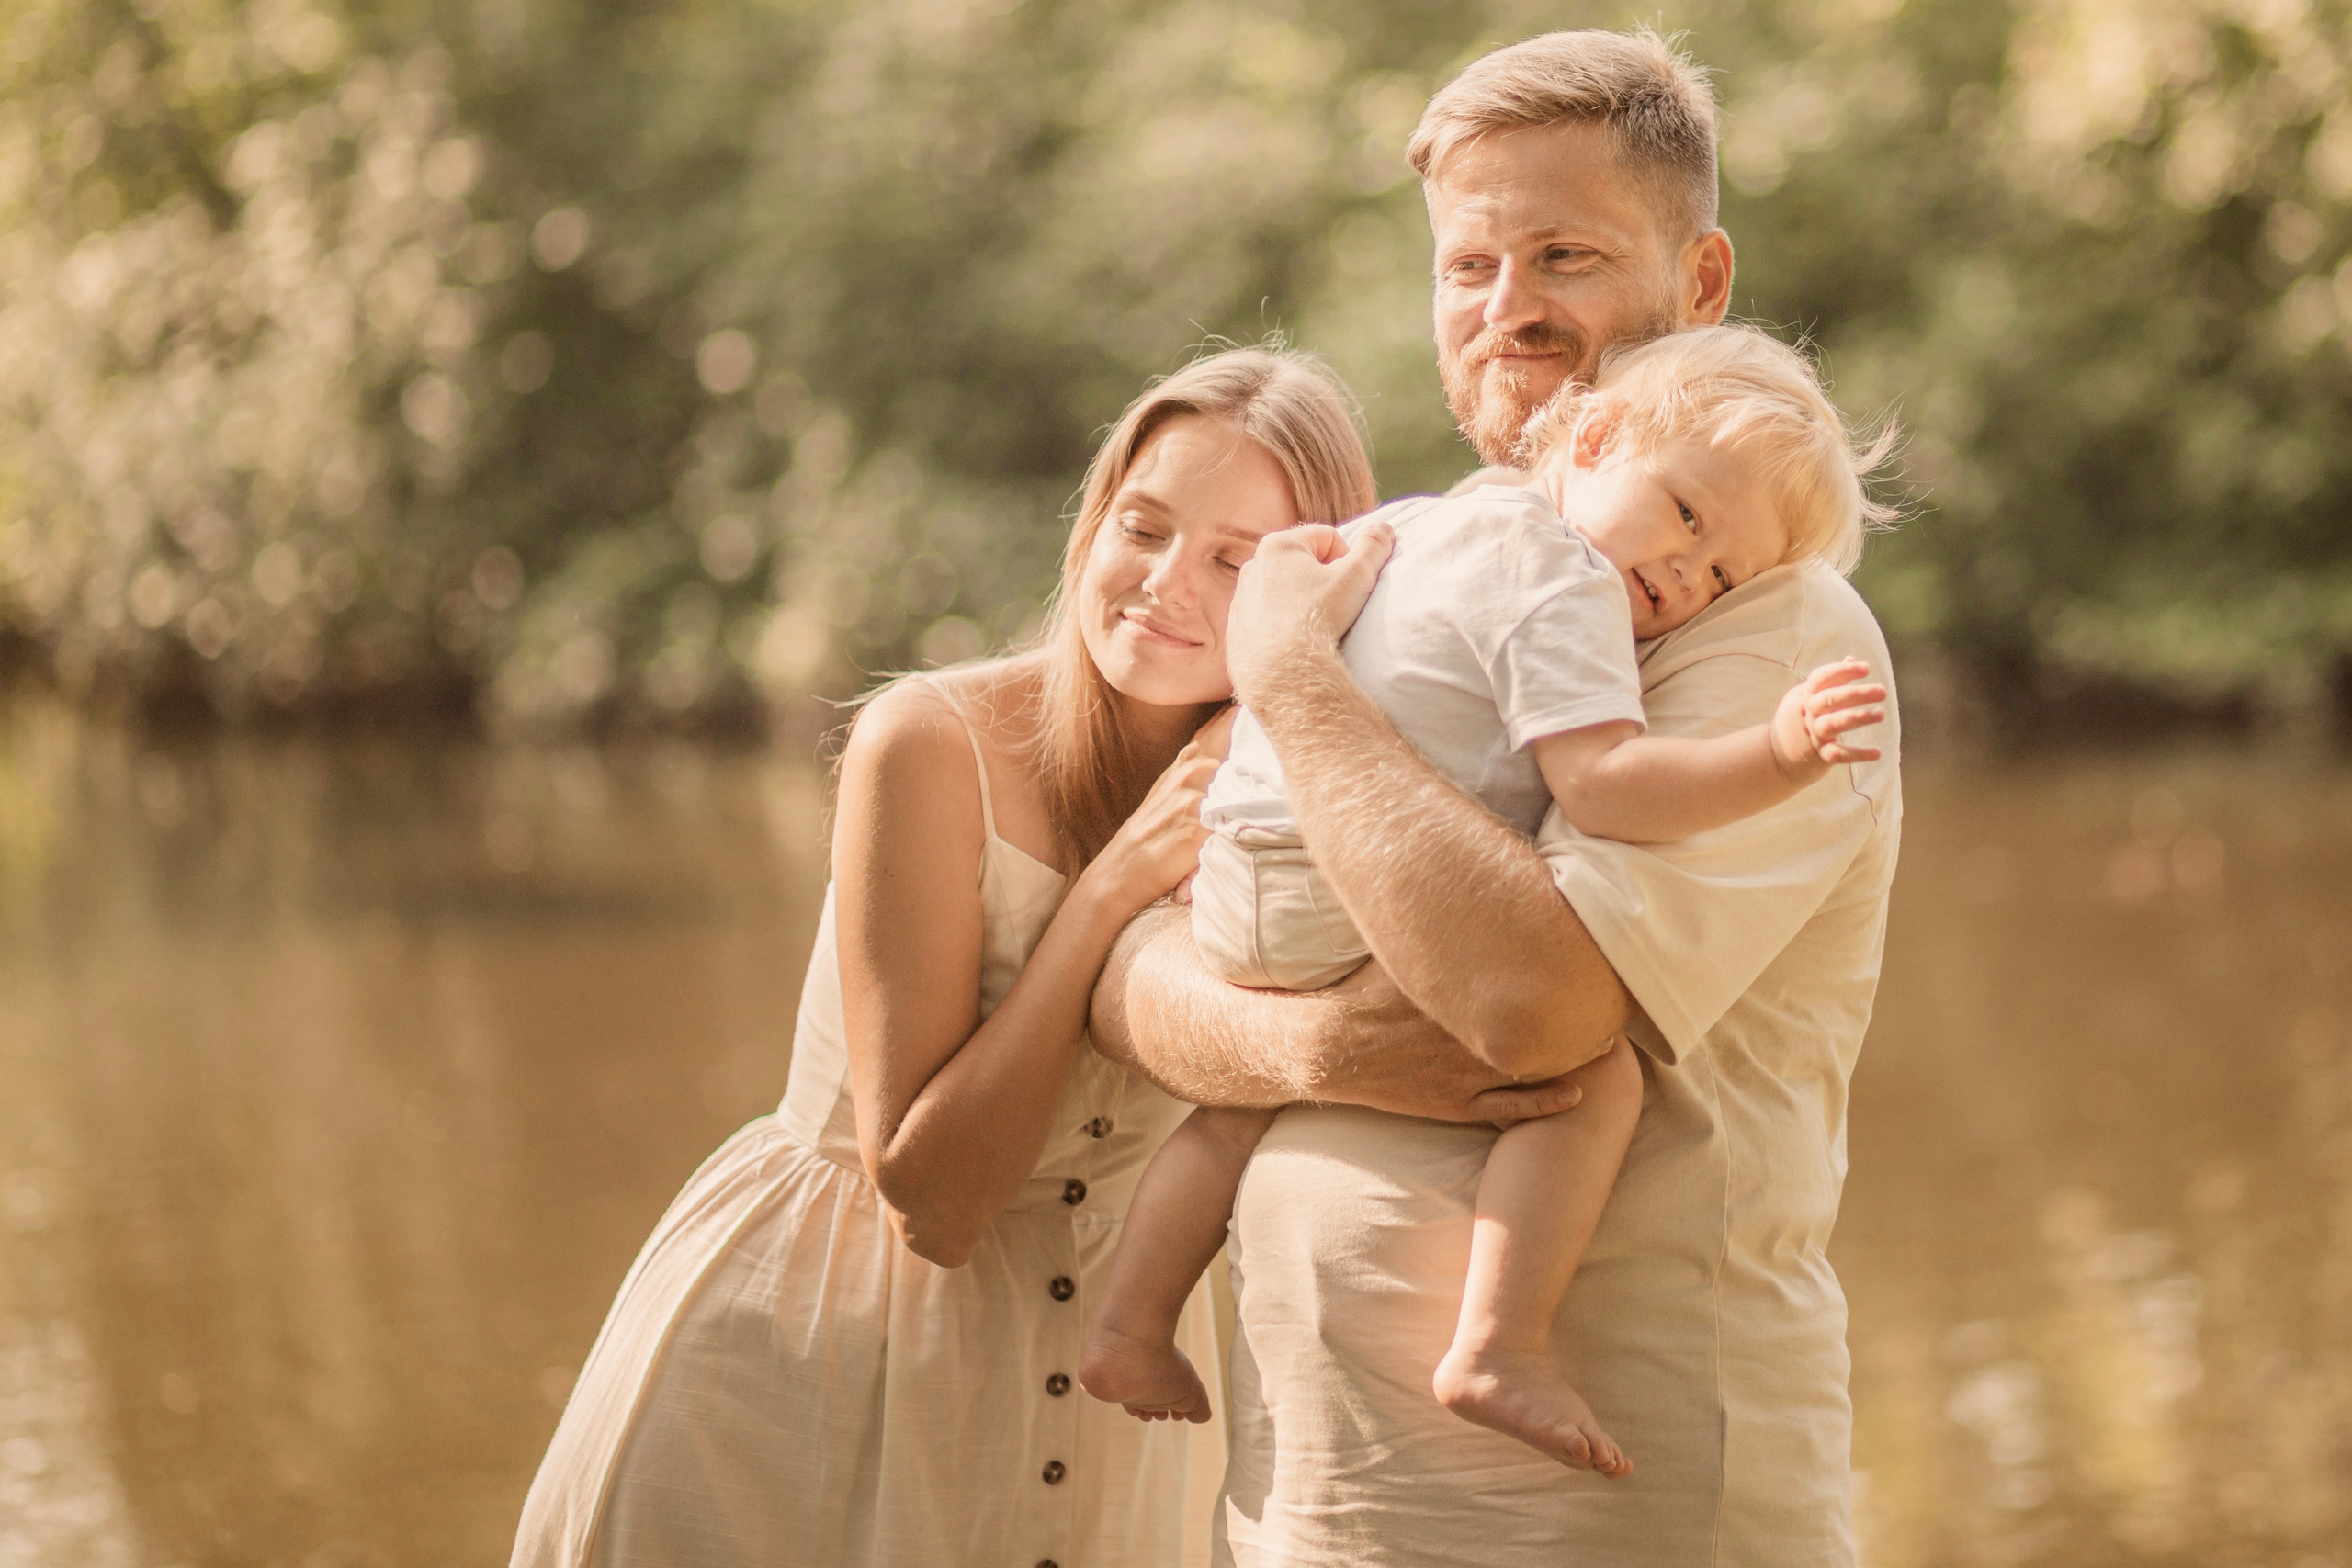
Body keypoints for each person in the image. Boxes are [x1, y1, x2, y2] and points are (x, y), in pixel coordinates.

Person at [1086, 28, 1905, 1566]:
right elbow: (1139, 962)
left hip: (1616, 1506)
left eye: (1565, 257)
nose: (1508, 309)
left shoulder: (1768, 628)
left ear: (1701, 281)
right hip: (1319, 1495)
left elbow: (1532, 1014)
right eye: (1469, 267)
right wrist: (1300, 1038)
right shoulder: (1441, 557)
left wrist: (1296, 680)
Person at [508, 347, 1397, 1568]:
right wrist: (1108, 894)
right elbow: (933, 1201)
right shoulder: (926, 745)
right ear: (1091, 527)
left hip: (1118, 1356)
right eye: (1142, 528)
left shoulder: (1298, 795)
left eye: (1239, 561)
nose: (1166, 584)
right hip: (822, 1352)